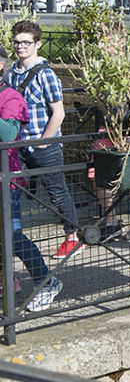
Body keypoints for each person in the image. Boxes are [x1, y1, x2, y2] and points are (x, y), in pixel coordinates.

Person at [6, 20, 81, 258]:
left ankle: (73, 237)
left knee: (57, 191)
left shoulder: (46, 74)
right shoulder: (11, 74)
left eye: (26, 42)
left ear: (37, 44)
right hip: (19, 145)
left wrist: (44, 142)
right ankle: (12, 240)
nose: (21, 47)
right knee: (12, 191)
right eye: (17, 42)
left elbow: (58, 112)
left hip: (42, 144)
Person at [0, 48, 61, 311]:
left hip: (5, 179)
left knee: (12, 236)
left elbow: (8, 133)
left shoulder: (11, 97)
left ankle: (46, 281)